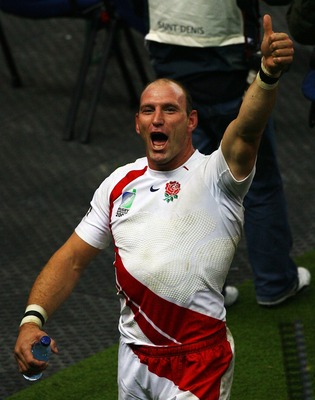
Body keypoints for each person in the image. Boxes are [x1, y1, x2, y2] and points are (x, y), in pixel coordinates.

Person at [14, 15, 293, 399]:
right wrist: (33, 318)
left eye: (169, 110)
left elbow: (247, 128)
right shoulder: (118, 184)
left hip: (199, 360)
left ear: (191, 120)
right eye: (148, 110)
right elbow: (73, 257)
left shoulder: (218, 175)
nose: (157, 118)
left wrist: (266, 75)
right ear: (138, 123)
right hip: (134, 356)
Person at [145, 0, 311, 307]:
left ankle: (205, 292)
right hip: (225, 53)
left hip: (166, 43)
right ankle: (275, 282)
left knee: (191, 177)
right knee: (255, 178)